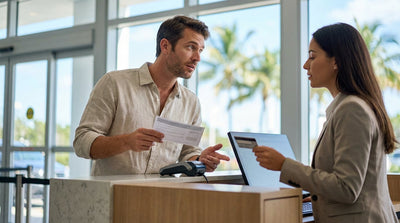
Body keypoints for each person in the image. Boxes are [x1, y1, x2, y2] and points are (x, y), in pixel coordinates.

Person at [253, 23, 399, 223]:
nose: (306, 65)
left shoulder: (352, 109)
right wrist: (318, 197)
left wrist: (284, 165)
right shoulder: (349, 106)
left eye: (312, 57)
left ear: (336, 61)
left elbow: (347, 188)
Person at [73, 15, 230, 176]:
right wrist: (126, 142)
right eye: (191, 47)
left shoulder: (191, 102)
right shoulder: (114, 83)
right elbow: (82, 142)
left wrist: (200, 159)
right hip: (113, 195)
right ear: (165, 46)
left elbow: (188, 152)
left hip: (161, 196)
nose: (197, 58)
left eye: (200, 50)